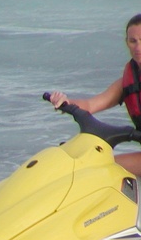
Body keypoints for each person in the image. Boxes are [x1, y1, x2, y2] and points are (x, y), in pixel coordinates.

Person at [49, 13, 141, 177]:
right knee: (87, 165)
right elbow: (90, 105)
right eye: (133, 41)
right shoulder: (126, 83)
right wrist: (65, 102)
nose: (138, 47)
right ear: (126, 42)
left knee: (102, 168)